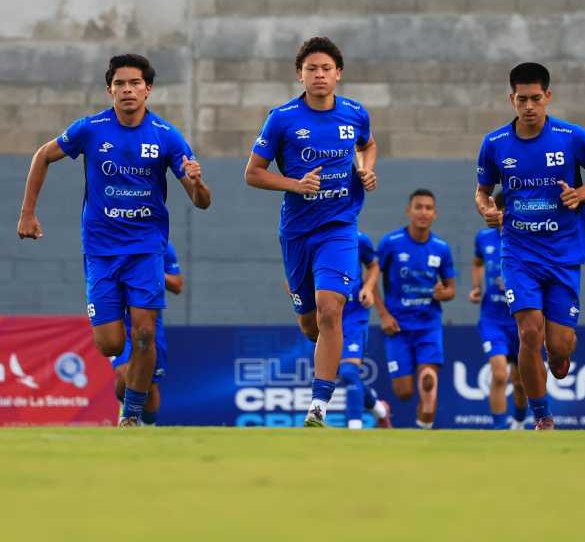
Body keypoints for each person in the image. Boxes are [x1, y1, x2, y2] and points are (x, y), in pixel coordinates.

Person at [17, 54, 211, 427]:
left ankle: (132, 416)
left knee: (145, 333)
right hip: (101, 250)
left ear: (148, 89)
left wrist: (198, 183)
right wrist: (27, 212)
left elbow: (201, 201)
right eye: (120, 84)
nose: (127, 90)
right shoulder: (90, 129)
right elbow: (43, 155)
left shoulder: (167, 135)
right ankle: (130, 390)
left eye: (135, 83)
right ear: (110, 90)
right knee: (110, 343)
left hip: (145, 249)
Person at [244, 37, 377, 427]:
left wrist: (366, 169)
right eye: (311, 69)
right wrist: (295, 184)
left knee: (330, 309)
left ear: (338, 74)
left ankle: (318, 405)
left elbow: (368, 145)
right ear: (300, 75)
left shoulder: (355, 113)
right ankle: (336, 366)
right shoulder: (282, 118)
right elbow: (252, 173)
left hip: (339, 227)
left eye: (326, 69)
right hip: (297, 232)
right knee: (311, 324)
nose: (319, 75)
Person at [475, 62, 585, 430]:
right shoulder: (495, 144)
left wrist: (581, 193)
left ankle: (562, 351)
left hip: (564, 254)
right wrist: (487, 209)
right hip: (519, 254)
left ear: (548, 96)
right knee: (529, 331)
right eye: (522, 99)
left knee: (559, 347)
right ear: (512, 99)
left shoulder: (572, 137)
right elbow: (483, 191)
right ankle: (542, 418)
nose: (529, 106)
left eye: (536, 98)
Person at [375, 189, 456, 429]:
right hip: (397, 328)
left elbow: (451, 289)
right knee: (404, 392)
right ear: (408, 211)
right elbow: (371, 279)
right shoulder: (391, 243)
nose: (423, 212)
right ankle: (382, 411)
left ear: (435, 214)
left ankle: (424, 432)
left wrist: (443, 293)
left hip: (428, 326)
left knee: (428, 382)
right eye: (418, 207)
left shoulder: (441, 248)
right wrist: (383, 315)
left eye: (428, 208)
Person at [469, 192, 529, 430]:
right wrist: (476, 287)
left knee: (521, 382)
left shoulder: (527, 239)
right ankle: (500, 430)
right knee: (500, 375)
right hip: (492, 320)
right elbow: (477, 262)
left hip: (521, 319)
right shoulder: (483, 238)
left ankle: (520, 421)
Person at [112, 241, 183, 426]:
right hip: (120, 322)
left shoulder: (162, 245)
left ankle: (148, 426)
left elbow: (177, 285)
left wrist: (150, 269)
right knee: (123, 375)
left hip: (149, 324)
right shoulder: (110, 240)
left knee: (149, 385)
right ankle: (129, 413)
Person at [339, 230, 392, 429]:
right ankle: (380, 410)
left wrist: (368, 288)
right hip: (326, 316)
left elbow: (373, 265)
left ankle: (354, 429)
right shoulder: (311, 238)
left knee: (348, 371)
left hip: (354, 314)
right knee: (340, 373)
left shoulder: (358, 238)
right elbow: (292, 277)